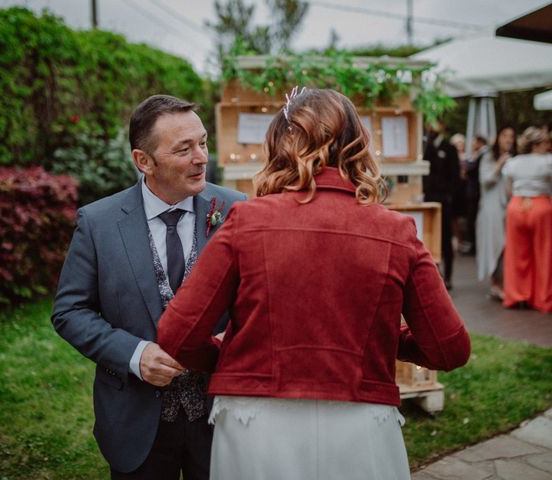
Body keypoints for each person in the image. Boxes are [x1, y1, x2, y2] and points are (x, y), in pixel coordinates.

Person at [157, 88, 471, 480]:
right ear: (358, 145)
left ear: (280, 145)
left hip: (257, 423)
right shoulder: (395, 230)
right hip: (359, 422)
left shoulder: (246, 221)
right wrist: (379, 338)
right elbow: (449, 348)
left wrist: (229, 352)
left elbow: (178, 334)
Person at [51, 94, 245, 479]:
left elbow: (258, 303)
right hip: (135, 418)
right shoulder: (99, 222)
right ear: (144, 161)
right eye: (184, 149)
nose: (202, 157)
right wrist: (134, 355)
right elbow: (70, 311)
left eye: (203, 142)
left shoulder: (237, 210)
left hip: (220, 415)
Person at [502, 127, 552, 312]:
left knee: (516, 254)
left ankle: (517, 295)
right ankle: (542, 299)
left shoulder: (513, 162)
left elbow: (508, 189)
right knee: (544, 254)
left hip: (516, 206)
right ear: (537, 144)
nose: (548, 146)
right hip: (541, 206)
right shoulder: (548, 161)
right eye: (546, 143)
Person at [476, 126, 516, 300]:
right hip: (491, 208)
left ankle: (506, 283)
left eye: (511, 137)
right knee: (495, 244)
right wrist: (499, 165)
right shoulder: (487, 158)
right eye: (505, 135)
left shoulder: (515, 159)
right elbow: (485, 181)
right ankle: (495, 284)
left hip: (510, 205)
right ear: (498, 137)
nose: (508, 139)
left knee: (508, 245)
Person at [422, 120, 460, 289]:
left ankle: (449, 275)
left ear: (442, 126)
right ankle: (435, 274)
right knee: (430, 235)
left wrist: (448, 195)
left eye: (435, 123)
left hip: (444, 200)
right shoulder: (424, 146)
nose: (431, 127)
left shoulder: (449, 148)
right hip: (428, 198)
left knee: (445, 237)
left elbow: (455, 176)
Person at [465, 135, 488, 255]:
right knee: (471, 220)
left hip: (476, 193)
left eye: (474, 142)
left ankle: (475, 246)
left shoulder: (482, 155)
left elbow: (471, 170)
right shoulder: (476, 155)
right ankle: (473, 244)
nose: (472, 144)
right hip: (472, 192)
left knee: (473, 220)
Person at [450, 133, 468, 253]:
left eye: (461, 143)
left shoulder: (466, 157)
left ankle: (462, 240)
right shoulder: (452, 157)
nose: (459, 145)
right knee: (454, 217)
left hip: (464, 190)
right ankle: (457, 239)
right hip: (455, 190)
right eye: (457, 143)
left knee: (462, 218)